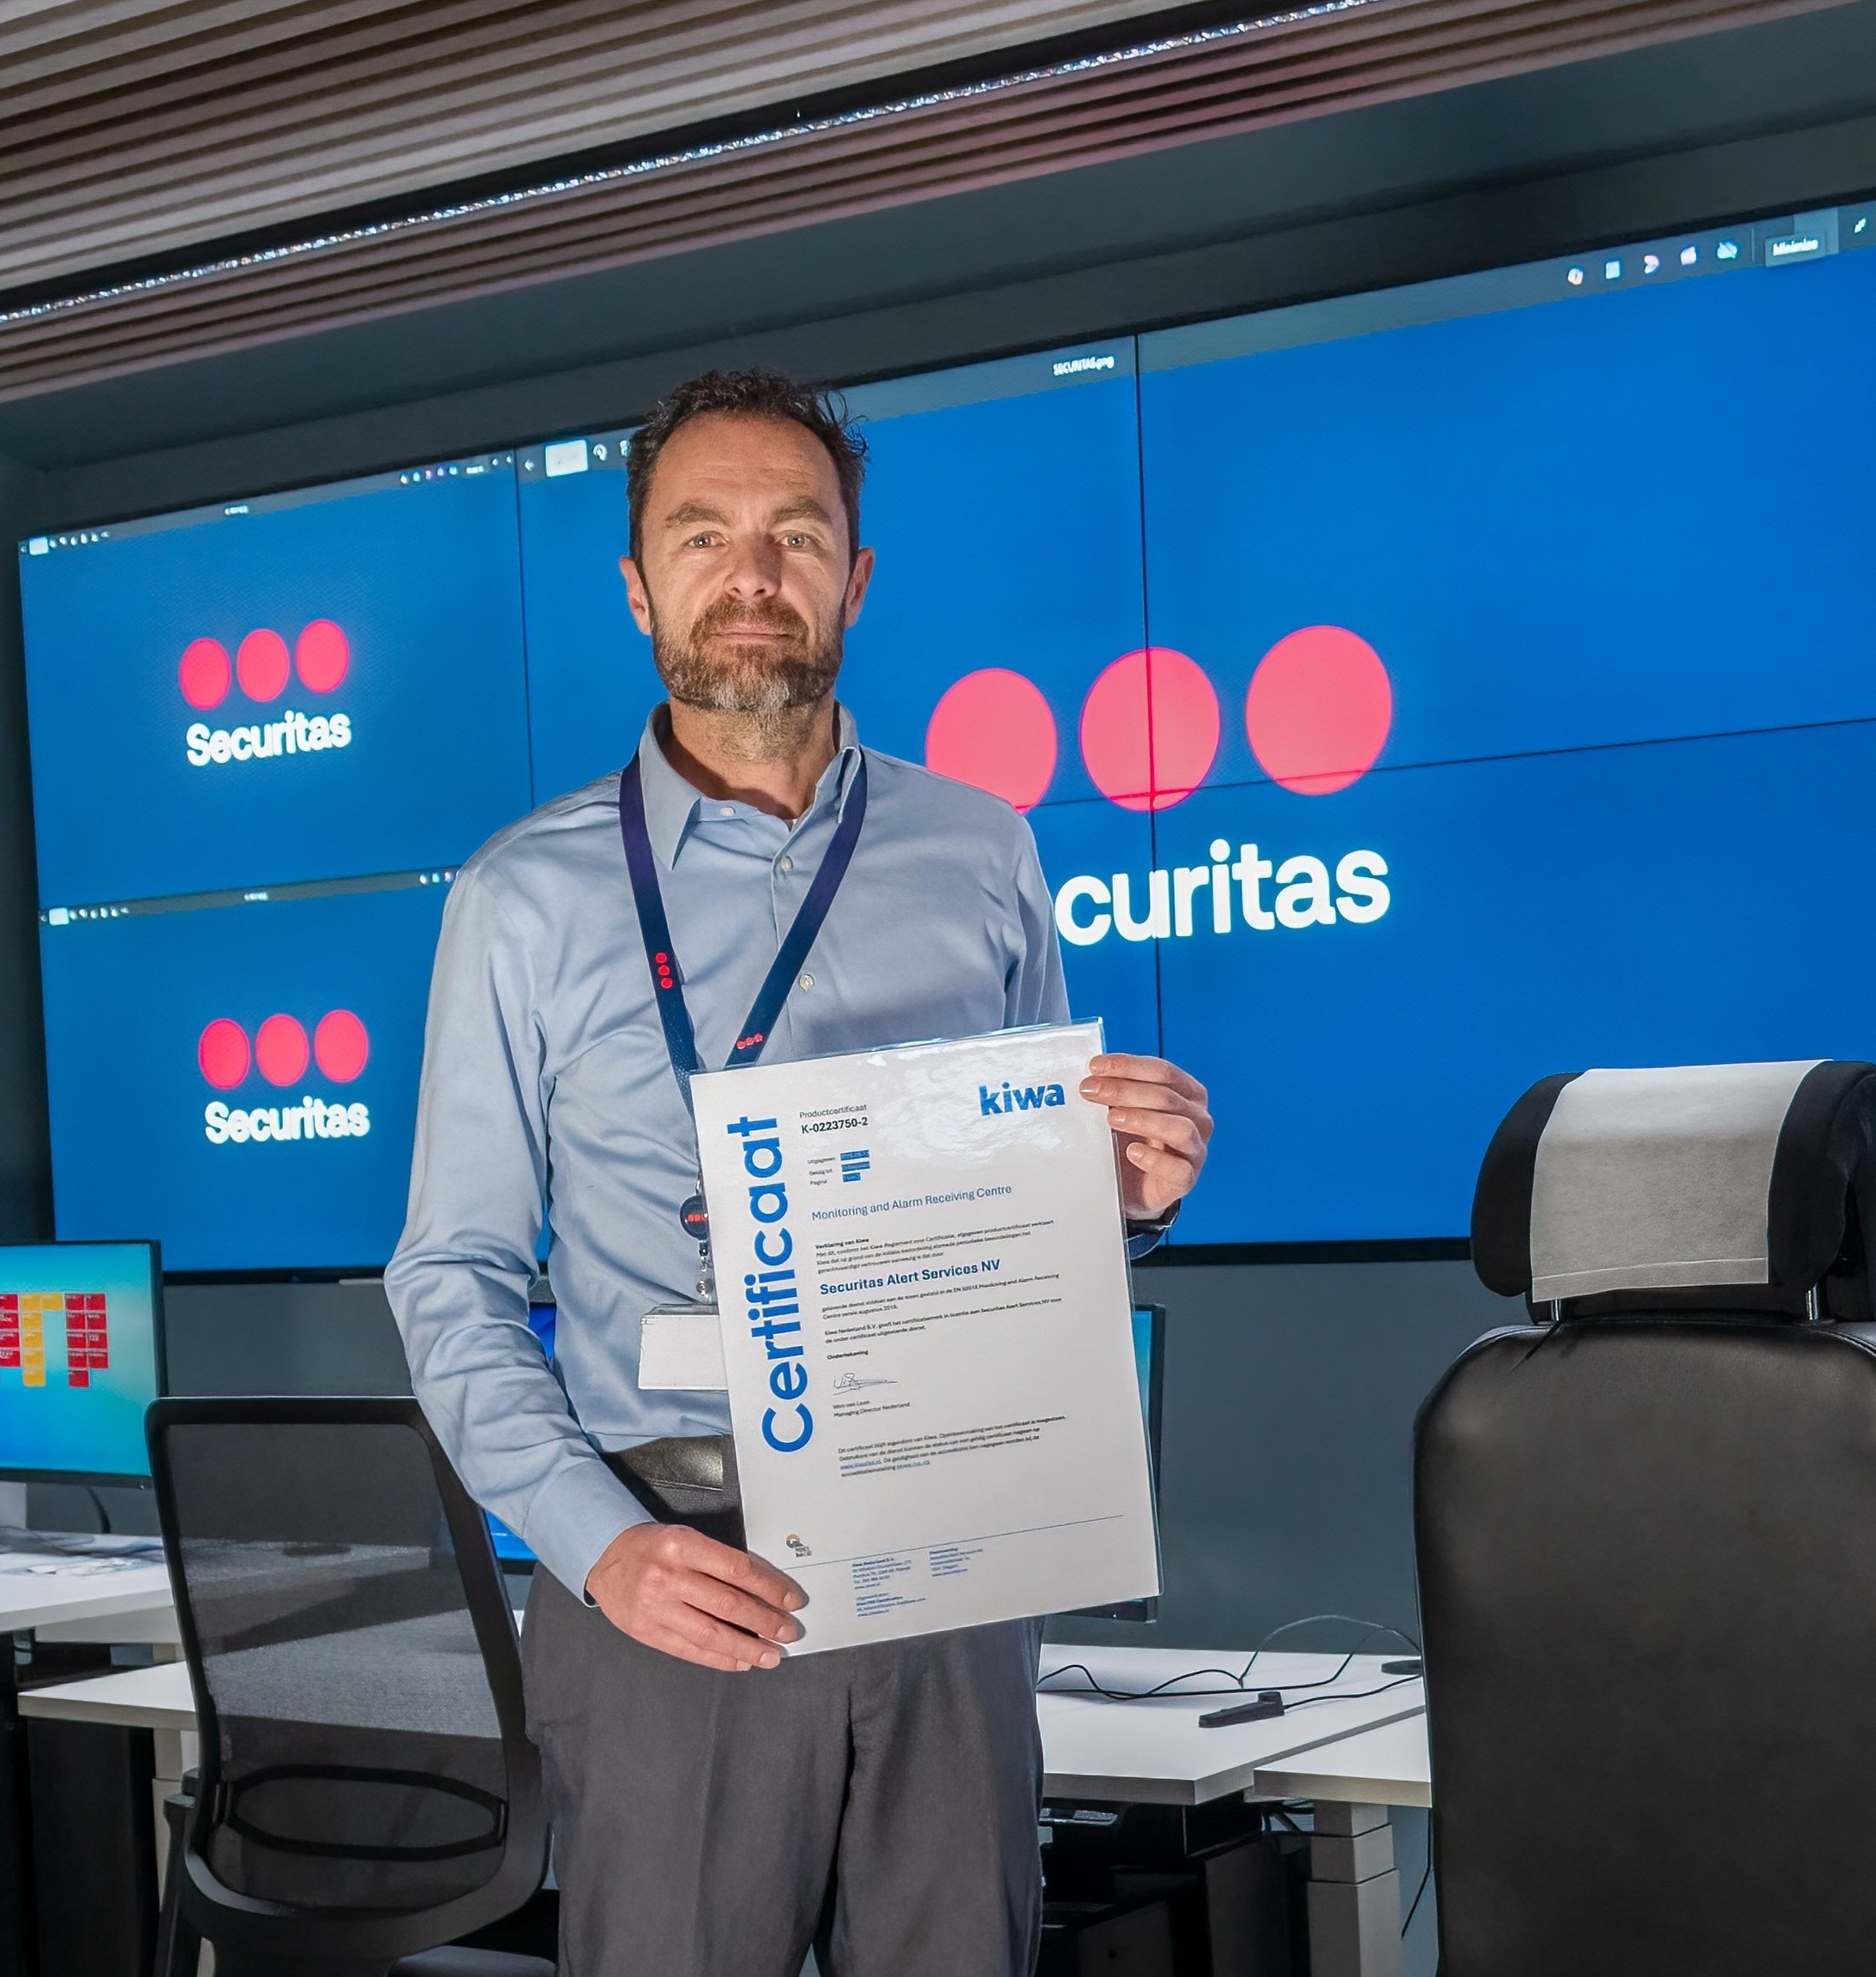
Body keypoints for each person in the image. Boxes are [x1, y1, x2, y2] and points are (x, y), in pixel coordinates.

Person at [385, 368, 1212, 1976]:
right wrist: (592, 1543)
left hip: (949, 1556)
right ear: (640, 587)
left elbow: (1037, 1220)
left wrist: (1122, 1194)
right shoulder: (521, 897)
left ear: (857, 575)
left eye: (798, 534)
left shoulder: (983, 850)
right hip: (672, 1564)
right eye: (703, 536)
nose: (752, 574)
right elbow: (451, 1277)